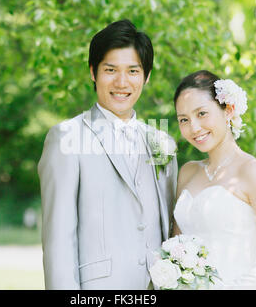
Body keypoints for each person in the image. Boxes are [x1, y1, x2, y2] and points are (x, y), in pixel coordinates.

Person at [38, 19, 178, 290]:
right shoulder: (66, 138)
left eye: (133, 71)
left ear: (146, 76)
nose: (121, 82)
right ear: (93, 72)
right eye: (110, 69)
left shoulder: (163, 143)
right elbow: (58, 241)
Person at [171, 70, 256, 289]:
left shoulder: (252, 171)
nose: (194, 128)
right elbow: (175, 248)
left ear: (228, 109)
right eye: (184, 119)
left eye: (201, 113)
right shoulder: (187, 172)